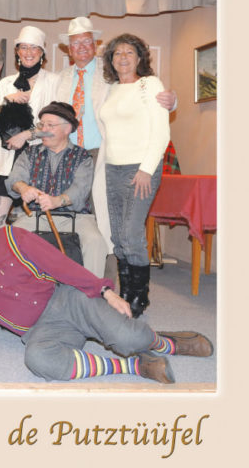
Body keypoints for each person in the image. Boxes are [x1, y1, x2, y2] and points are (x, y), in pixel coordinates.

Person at [0, 205, 213, 383]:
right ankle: (132, 365)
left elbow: (60, 265)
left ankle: (165, 343)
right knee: (38, 361)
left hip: (67, 300)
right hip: (40, 331)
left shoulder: (13, 237)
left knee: (129, 338)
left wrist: (104, 290)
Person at [56, 18, 177, 278]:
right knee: (73, 218)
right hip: (73, 156)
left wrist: (172, 100)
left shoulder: (109, 71)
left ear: (95, 44)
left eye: (87, 41)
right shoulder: (63, 78)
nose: (82, 47)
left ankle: (110, 283)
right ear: (68, 48)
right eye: (76, 43)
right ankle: (77, 279)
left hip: (102, 154)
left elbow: (147, 96)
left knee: (109, 224)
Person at [99, 33, 170, 318]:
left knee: (131, 233)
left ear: (140, 58)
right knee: (118, 236)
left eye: (129, 52)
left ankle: (140, 295)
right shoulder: (112, 88)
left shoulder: (149, 85)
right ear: (111, 60)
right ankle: (126, 293)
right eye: (117, 53)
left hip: (140, 168)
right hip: (113, 168)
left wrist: (146, 169)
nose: (123, 57)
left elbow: (161, 132)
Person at [5, 101, 106, 277]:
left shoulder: (82, 156)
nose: (43, 130)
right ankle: (15, 290)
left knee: (95, 241)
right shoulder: (29, 153)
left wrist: (56, 201)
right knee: (9, 238)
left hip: (76, 217)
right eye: (42, 125)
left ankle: (94, 290)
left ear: (67, 129)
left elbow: (80, 190)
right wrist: (23, 188)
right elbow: (14, 179)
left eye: (50, 125)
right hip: (34, 216)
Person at [0, 26, 58, 228]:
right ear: (17, 52)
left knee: (34, 226)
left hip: (39, 160)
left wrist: (26, 135)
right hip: (8, 158)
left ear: (42, 52)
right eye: (23, 47)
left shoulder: (54, 81)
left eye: (34, 48)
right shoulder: (6, 83)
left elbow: (56, 124)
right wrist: (7, 101)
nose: (28, 52)